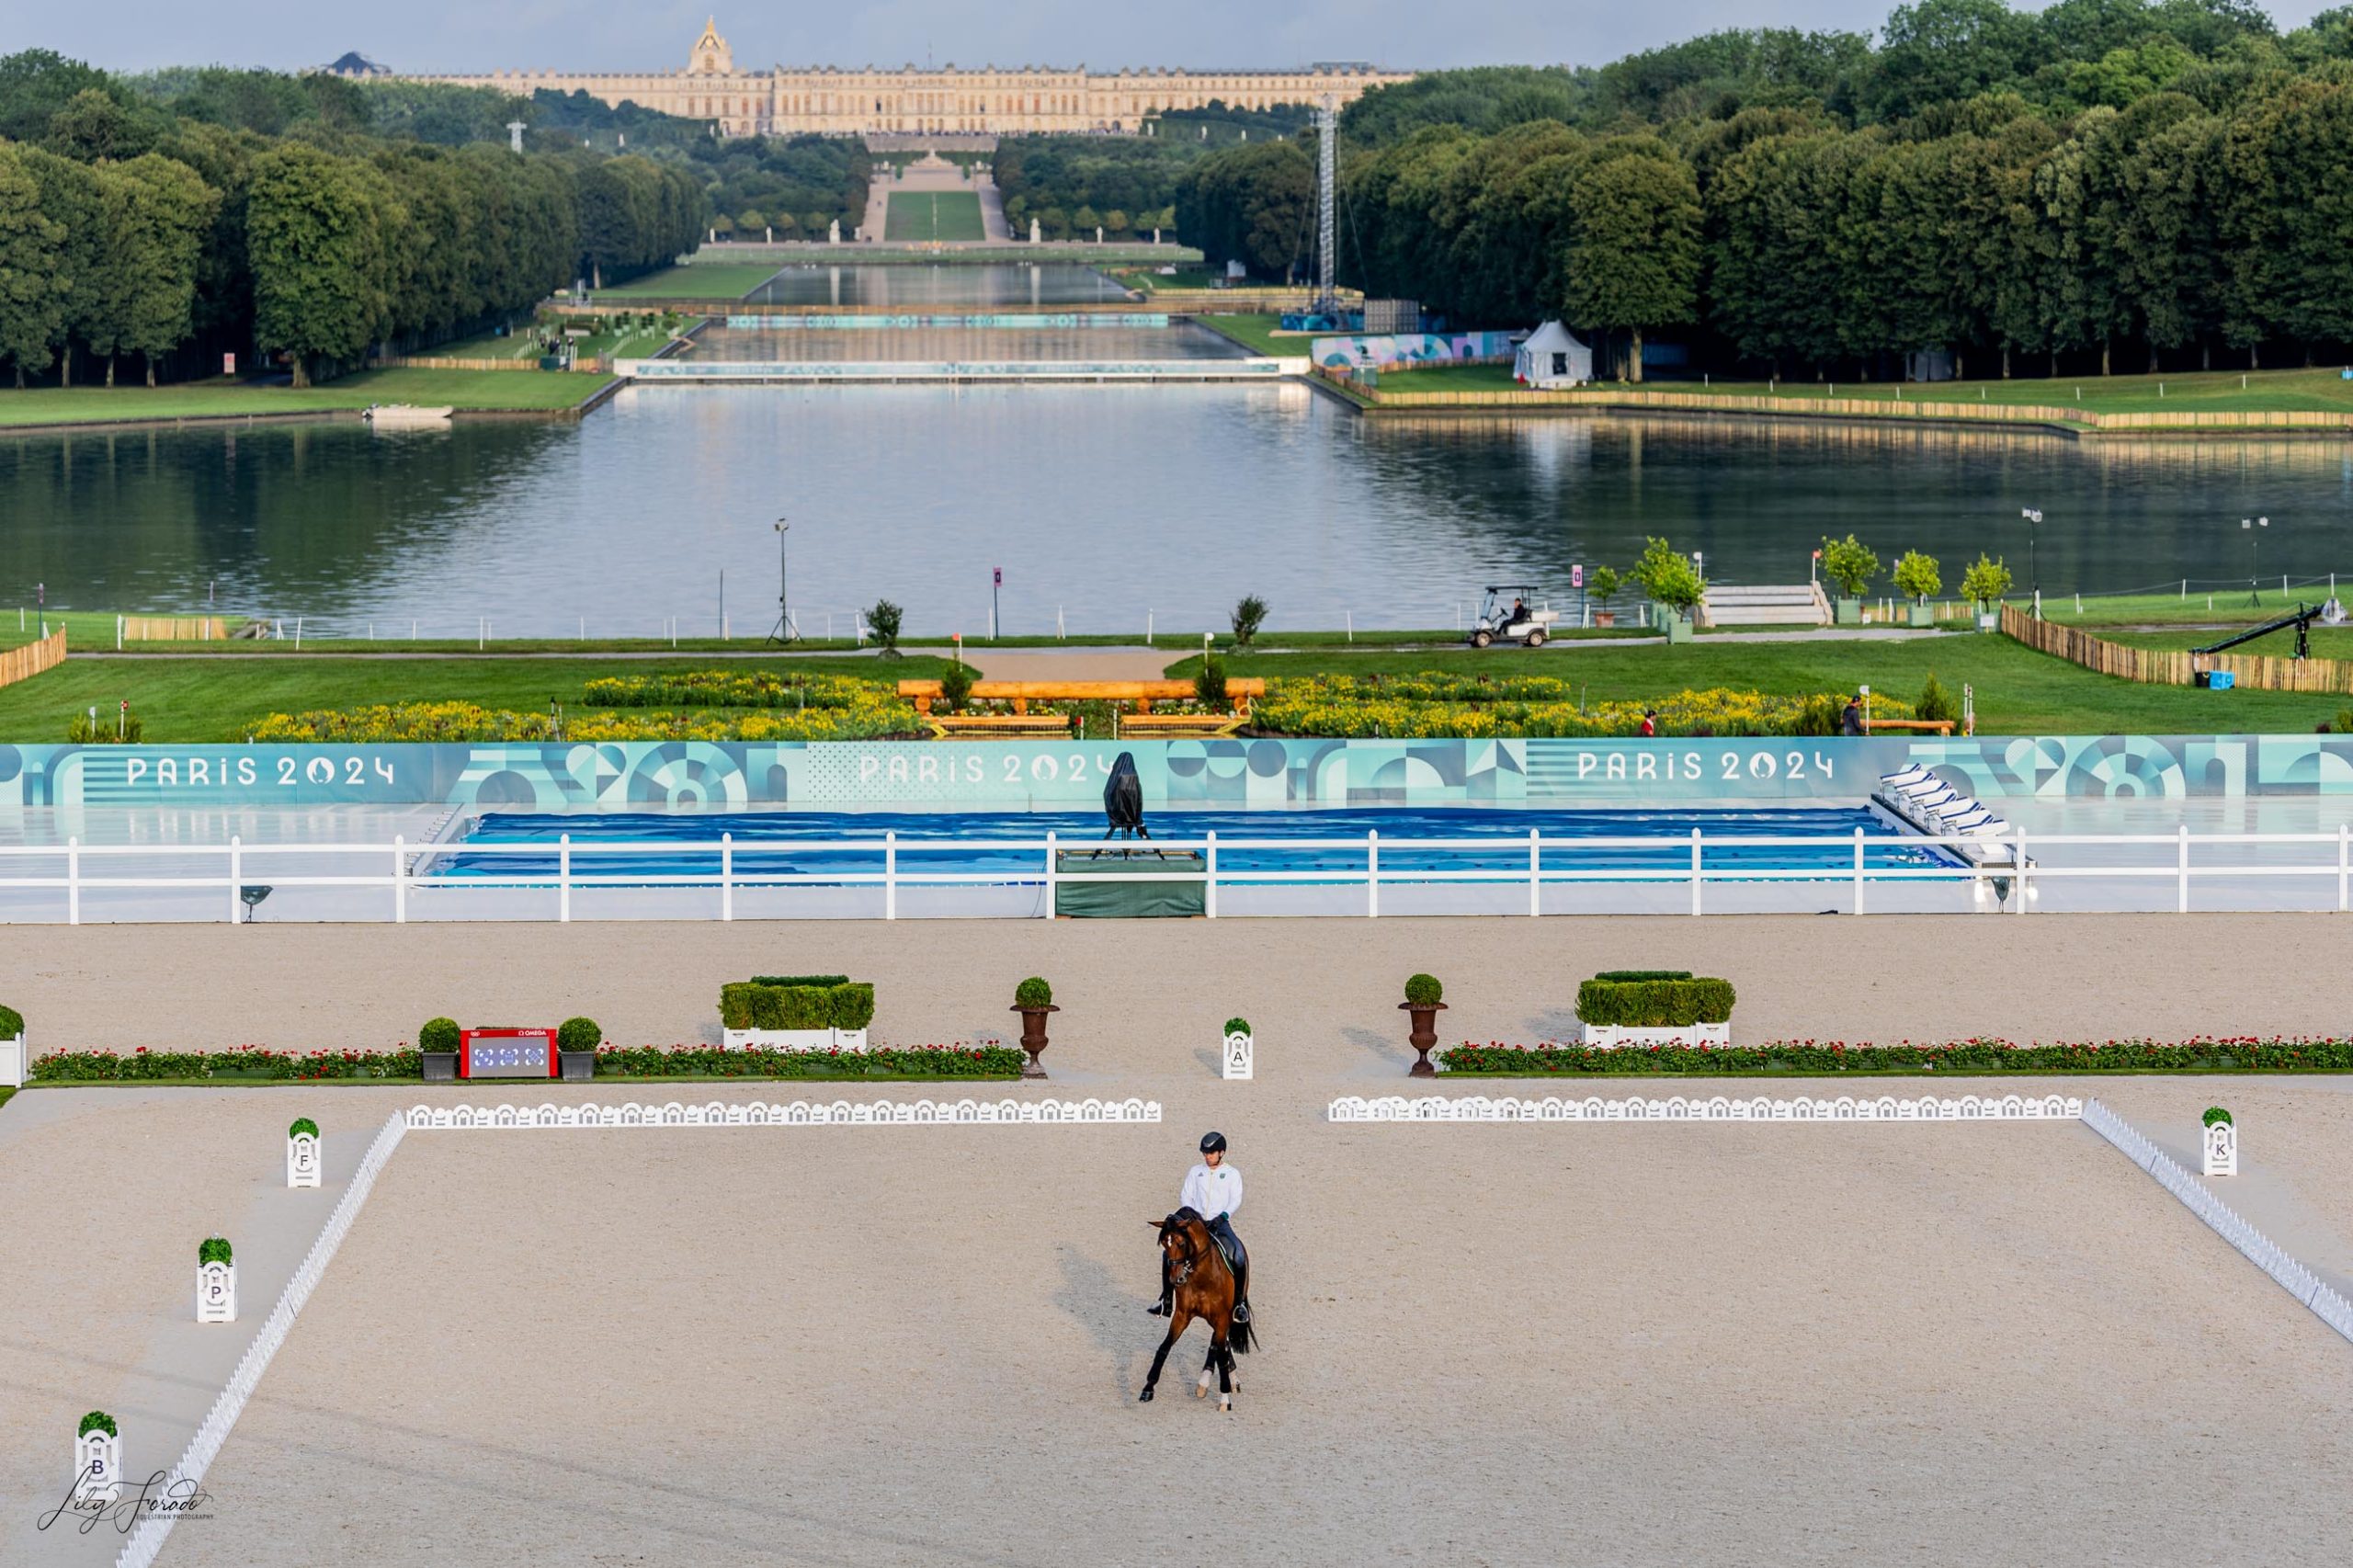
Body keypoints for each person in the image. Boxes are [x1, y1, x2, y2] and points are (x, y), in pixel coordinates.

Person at [1149, 1131, 1250, 1323]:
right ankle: (1166, 1301)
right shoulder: (1196, 1172)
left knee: (1238, 1254)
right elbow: (1186, 1196)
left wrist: (1222, 1217)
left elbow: (1235, 1199)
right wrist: (1193, 1217)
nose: (1207, 1157)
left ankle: (1239, 1304)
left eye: (1211, 1153)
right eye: (1205, 1153)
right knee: (1168, 1254)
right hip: (1195, 1224)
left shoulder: (1231, 1174)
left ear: (1221, 1153)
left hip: (1219, 1223)